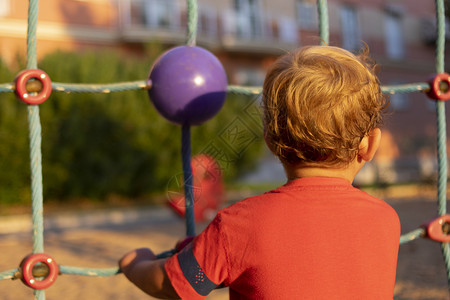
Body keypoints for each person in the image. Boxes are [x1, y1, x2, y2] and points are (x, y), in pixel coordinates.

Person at [119, 45, 401, 299]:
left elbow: (175, 283)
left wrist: (135, 265)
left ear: (269, 139)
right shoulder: (387, 220)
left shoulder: (238, 227)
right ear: (370, 144)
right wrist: (205, 252)